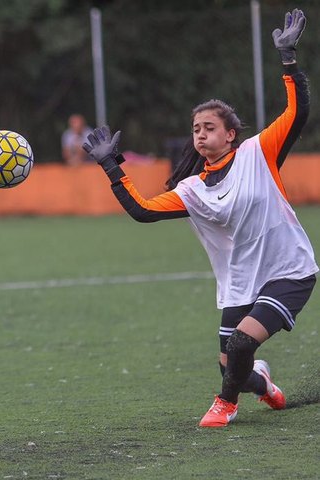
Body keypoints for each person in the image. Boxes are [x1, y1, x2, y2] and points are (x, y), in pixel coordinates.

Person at [83, 9, 315, 428]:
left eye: (209, 127)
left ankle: (223, 405)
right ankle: (262, 385)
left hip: (289, 270)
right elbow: (142, 211)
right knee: (235, 368)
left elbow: (297, 113)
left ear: (230, 134)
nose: (201, 134)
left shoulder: (258, 153)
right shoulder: (192, 190)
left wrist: (288, 60)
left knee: (243, 342)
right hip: (240, 284)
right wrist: (111, 167)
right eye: (195, 129)